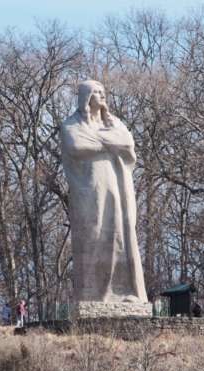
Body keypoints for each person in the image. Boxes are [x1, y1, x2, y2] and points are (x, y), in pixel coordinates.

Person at [60, 80, 148, 304]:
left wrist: (98, 140)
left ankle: (124, 291)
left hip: (116, 187)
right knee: (93, 235)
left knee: (119, 234)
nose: (101, 95)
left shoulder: (115, 123)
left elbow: (127, 143)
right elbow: (76, 145)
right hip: (89, 190)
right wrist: (110, 143)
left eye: (102, 91)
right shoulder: (71, 124)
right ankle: (93, 294)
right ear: (86, 97)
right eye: (96, 92)